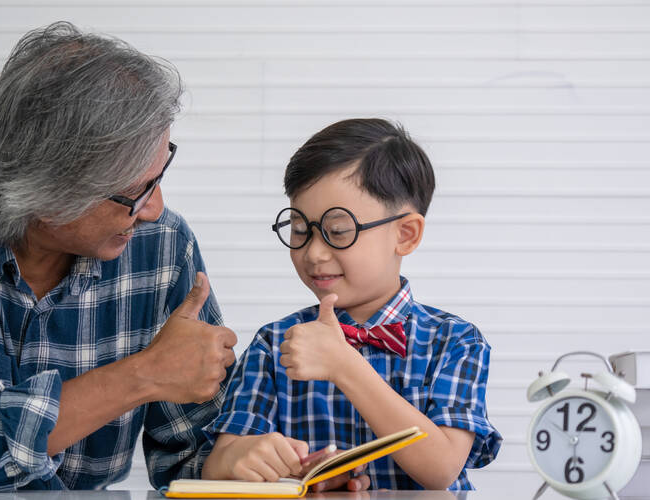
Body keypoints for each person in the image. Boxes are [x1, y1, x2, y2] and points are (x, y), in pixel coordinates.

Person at [0, 22, 238, 491]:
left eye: (158, 176)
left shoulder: (163, 246)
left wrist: (252, 462)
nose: (154, 210)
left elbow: (194, 456)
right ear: (48, 193)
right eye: (136, 192)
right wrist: (144, 375)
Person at [201, 118, 502, 490]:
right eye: (299, 230)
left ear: (405, 234)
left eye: (338, 231)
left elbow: (441, 470)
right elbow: (216, 467)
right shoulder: (275, 343)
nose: (313, 253)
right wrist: (250, 459)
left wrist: (346, 365)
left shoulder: (456, 341)